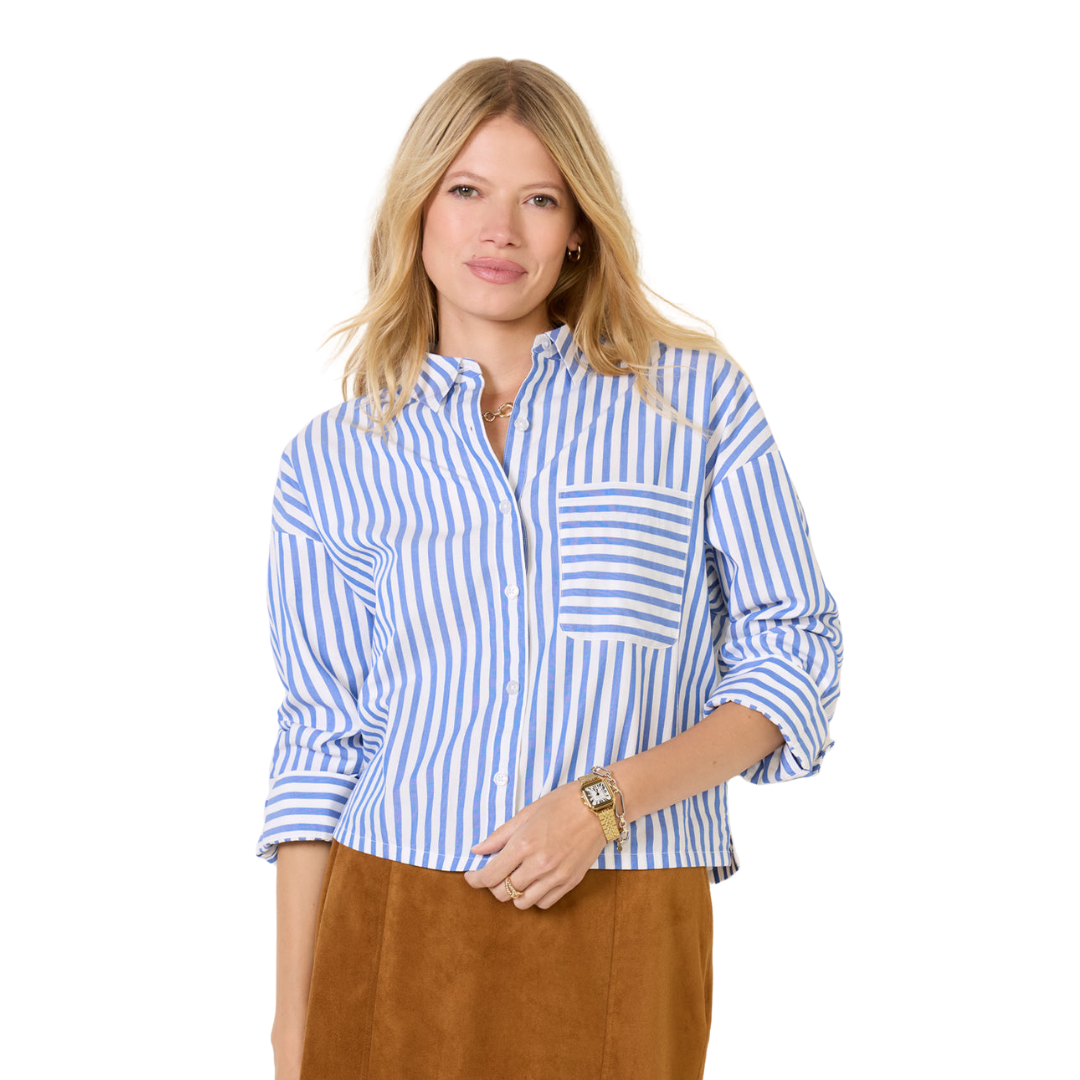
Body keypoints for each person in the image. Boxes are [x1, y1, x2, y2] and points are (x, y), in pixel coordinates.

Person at [256, 57, 843, 1080]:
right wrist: (292, 1023)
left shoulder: (691, 404)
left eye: (538, 199)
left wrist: (602, 804)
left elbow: (794, 651)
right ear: (416, 210)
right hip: (389, 913)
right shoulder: (333, 459)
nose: (500, 231)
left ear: (577, 227)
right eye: (466, 190)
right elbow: (320, 740)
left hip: (626, 908)